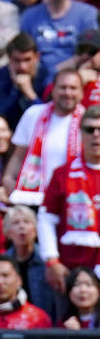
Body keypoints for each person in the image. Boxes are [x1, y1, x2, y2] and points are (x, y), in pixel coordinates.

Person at [38, 104, 100, 294]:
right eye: (90, 129)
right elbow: (46, 219)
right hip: (68, 271)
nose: (96, 135)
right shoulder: (61, 174)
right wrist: (52, 260)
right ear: (81, 133)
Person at [4, 69, 85, 206]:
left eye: (73, 88)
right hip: (33, 199)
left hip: (73, 201)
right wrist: (8, 181)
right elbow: (18, 156)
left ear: (82, 92)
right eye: (63, 87)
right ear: (52, 90)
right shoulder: (33, 114)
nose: (67, 93)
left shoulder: (90, 121)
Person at [20, 0, 99, 75]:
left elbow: (89, 55)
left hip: (76, 75)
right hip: (38, 76)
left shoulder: (87, 14)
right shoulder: (30, 16)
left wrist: (57, 72)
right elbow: (23, 52)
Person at [3, 204, 57, 318]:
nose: (21, 227)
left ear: (35, 230)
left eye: (27, 222)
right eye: (16, 223)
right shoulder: (1, 264)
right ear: (7, 232)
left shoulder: (48, 263)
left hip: (43, 325)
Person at [0, 33, 50, 128]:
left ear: (37, 57)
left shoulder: (46, 75)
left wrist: (29, 93)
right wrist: (15, 89)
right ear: (9, 58)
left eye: (27, 60)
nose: (22, 66)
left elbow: (48, 118)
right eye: (17, 60)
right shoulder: (0, 76)